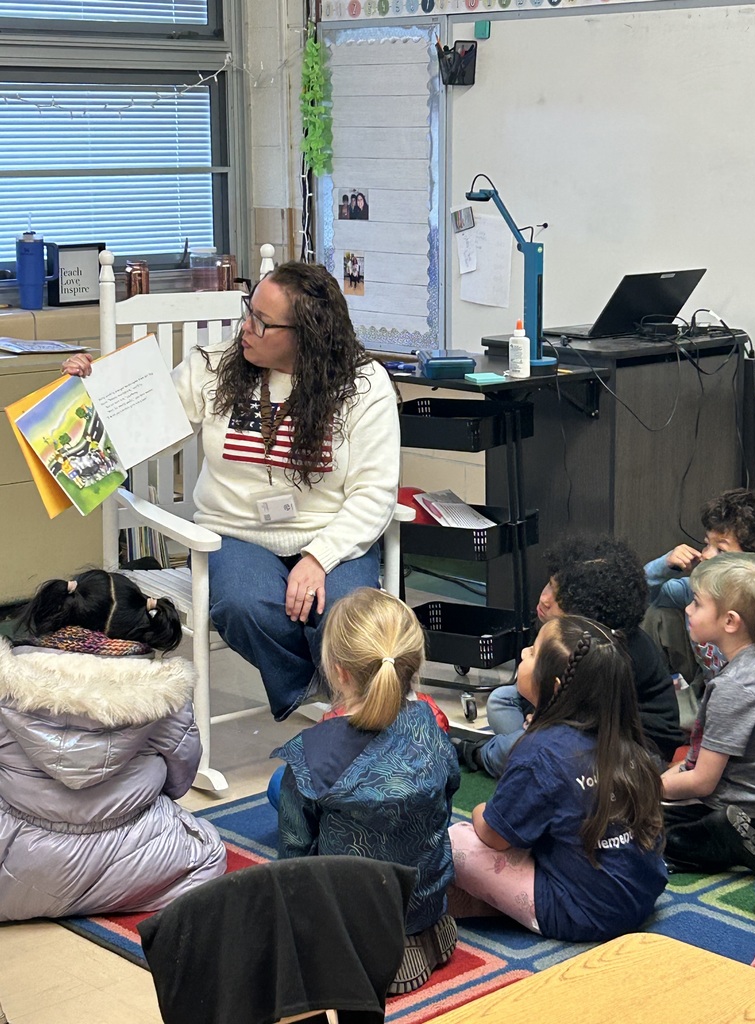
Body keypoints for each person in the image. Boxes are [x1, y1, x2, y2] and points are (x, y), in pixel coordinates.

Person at [62, 262, 400, 722]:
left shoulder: (363, 385)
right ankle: (325, 703)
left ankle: (347, 718)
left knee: (347, 618)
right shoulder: (213, 367)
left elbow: (374, 492)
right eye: (249, 310)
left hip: (334, 535)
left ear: (309, 333)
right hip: (235, 534)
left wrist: (320, 557)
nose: (246, 327)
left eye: (262, 321)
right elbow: (132, 426)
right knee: (245, 605)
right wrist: (84, 386)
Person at [0, 569, 226, 922]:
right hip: (139, 859)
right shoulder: (165, 692)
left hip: (17, 861)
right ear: (140, 623)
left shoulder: (7, 682)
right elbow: (181, 780)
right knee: (210, 854)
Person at [271, 587, 461, 995]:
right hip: (429, 908)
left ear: (339, 671)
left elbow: (294, 860)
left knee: (284, 795)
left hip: (355, 933)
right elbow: (446, 805)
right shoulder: (433, 723)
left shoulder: (311, 754)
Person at [449, 615, 667, 943]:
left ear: (555, 687)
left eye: (534, 652)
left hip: (584, 912)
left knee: (457, 842)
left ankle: (504, 908)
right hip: (642, 895)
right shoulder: (622, 732)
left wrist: (481, 812)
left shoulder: (540, 751)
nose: (524, 653)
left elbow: (494, 837)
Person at [457, 535, 682, 777]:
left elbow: (590, 725)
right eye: (549, 586)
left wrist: (545, 725)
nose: (544, 598)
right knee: (502, 699)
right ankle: (530, 762)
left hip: (631, 749)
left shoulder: (606, 652)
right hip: (582, 725)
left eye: (560, 598)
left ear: (588, 614)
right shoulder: (575, 636)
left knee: (515, 748)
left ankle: (481, 754)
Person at [661, 552, 755, 873]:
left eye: (696, 603)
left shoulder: (735, 685)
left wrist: (644, 792)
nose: (687, 609)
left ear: (731, 621)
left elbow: (703, 782)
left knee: (624, 827)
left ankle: (727, 837)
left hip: (735, 805)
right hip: (754, 800)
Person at [643, 488, 755, 687]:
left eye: (721, 549)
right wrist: (664, 565)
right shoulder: (693, 590)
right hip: (707, 684)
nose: (707, 555)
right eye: (707, 544)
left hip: (743, 692)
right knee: (656, 614)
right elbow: (642, 595)